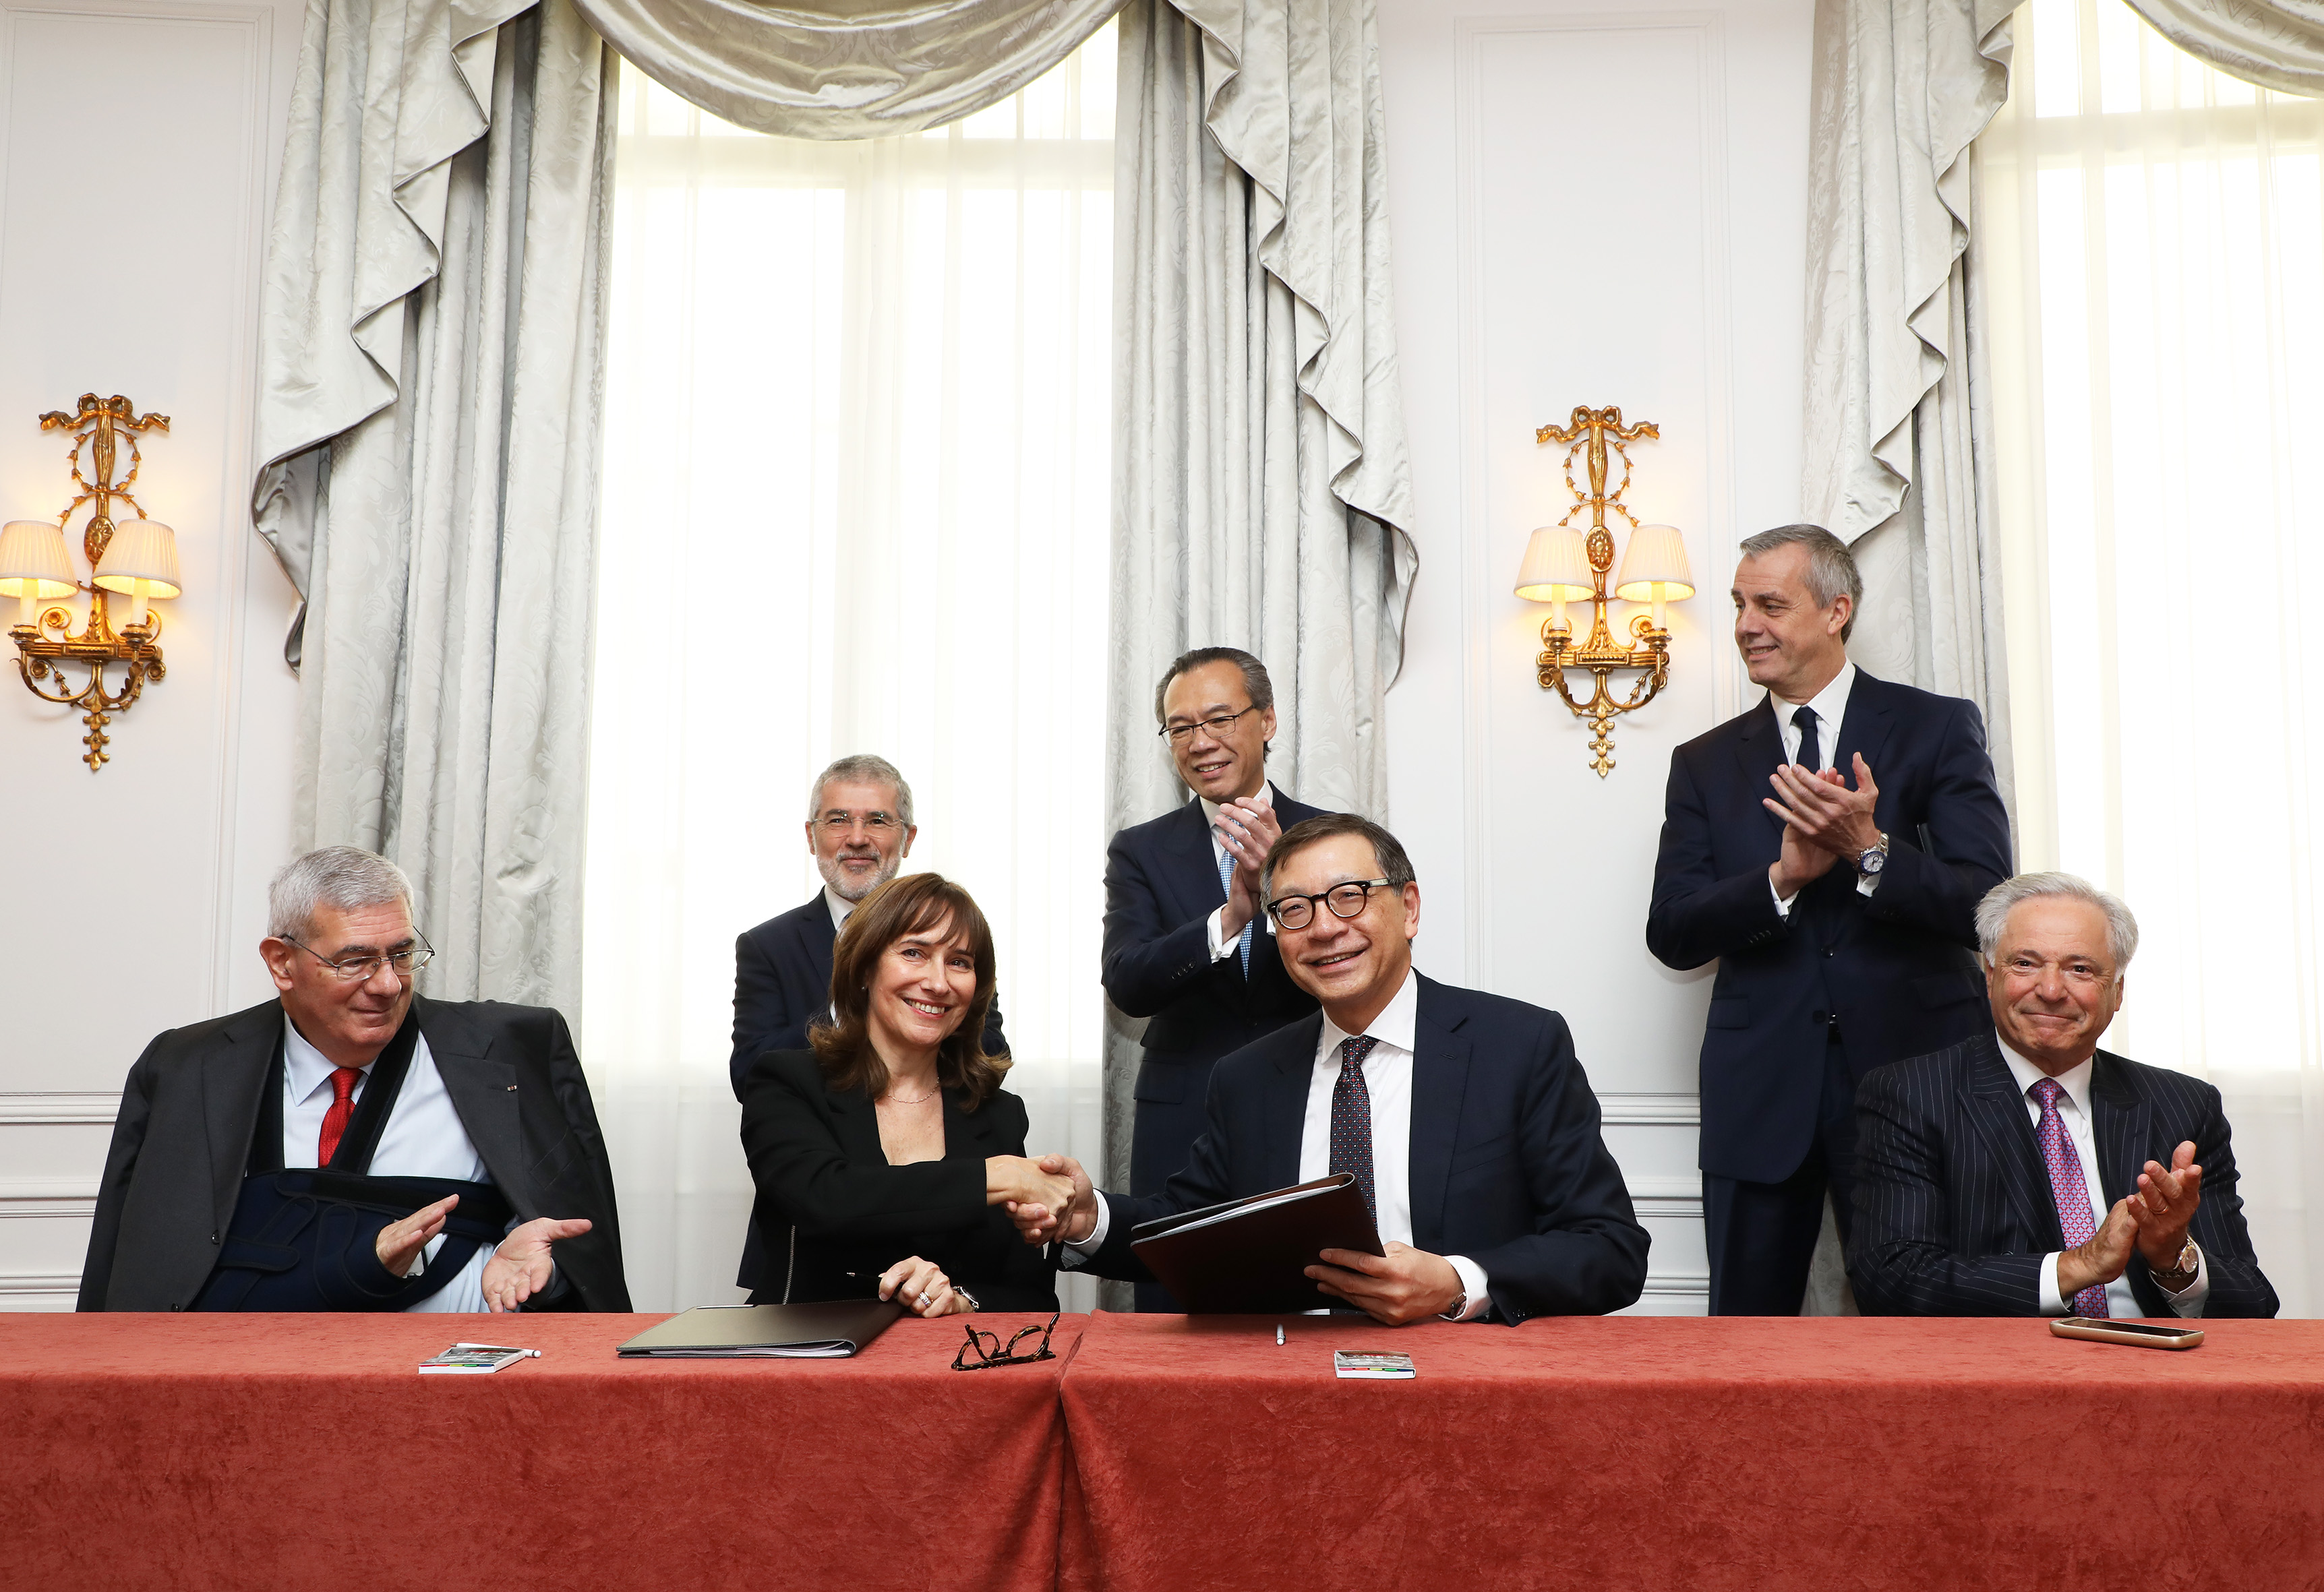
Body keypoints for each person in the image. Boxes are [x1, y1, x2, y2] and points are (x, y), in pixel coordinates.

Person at [1027, 814, 1648, 1324]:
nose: (1324, 928)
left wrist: (1456, 1281)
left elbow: (1609, 1247)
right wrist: (1091, 1220)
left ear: (1408, 908)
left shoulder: (1518, 1046)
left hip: (1470, 1381)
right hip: (1291, 1386)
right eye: (1293, 909)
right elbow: (1195, 1228)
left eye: (1349, 897)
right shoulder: (1247, 1077)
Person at [1646, 524, 2011, 1315]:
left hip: (1916, 1082)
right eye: (1740, 603)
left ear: (1836, 609)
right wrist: (1781, 878)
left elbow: (1987, 906)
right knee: (1748, 1344)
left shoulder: (1937, 727)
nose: (1747, 623)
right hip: (1760, 1090)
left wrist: (1870, 850)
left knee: (1926, 1337)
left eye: (1770, 604)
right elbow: (1672, 931)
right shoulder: (1703, 762)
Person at [80, 847, 628, 1313]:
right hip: (244, 1381)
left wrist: (543, 1279)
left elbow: (587, 1263)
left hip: (461, 1382)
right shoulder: (186, 1065)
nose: (388, 984)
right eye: (356, 960)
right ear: (282, 963)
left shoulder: (515, 1048)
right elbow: (133, 1263)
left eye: (402, 954)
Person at [1848, 874, 2277, 1318]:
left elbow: (2251, 1302)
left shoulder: (2183, 1106)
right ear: (1990, 974)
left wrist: (2172, 1258)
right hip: (2003, 1370)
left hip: (2152, 1368)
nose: (2050, 991)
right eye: (2025, 964)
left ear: (2117, 992)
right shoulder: (1911, 1095)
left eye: (2080, 969)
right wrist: (2081, 1265)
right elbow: (1892, 1280)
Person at [729, 754, 1007, 1292]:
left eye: (877, 820)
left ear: (907, 838)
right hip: (812, 1245)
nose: (857, 837)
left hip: (945, 1247)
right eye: (838, 820)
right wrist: (861, 997)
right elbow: (751, 1072)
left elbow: (984, 1055)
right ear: (811, 836)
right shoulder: (768, 945)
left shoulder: (953, 943)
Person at [739, 871, 1075, 1315]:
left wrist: (960, 1301)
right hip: (809, 1357)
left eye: (959, 962)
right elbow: (827, 1200)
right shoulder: (786, 1081)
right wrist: (996, 1177)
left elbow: (1029, 1293)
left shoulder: (997, 1111)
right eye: (914, 953)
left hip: (947, 1368)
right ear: (864, 967)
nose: (938, 983)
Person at [1103, 647, 1328, 1308]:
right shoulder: (1141, 850)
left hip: (1308, 1101)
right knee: (1176, 1311)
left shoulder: (1330, 839)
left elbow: (1366, 975)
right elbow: (1128, 981)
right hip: (1183, 1114)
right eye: (1180, 727)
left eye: (1220, 719)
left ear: (1267, 721)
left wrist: (1284, 889)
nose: (1201, 742)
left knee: (1306, 1301)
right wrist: (1231, 917)